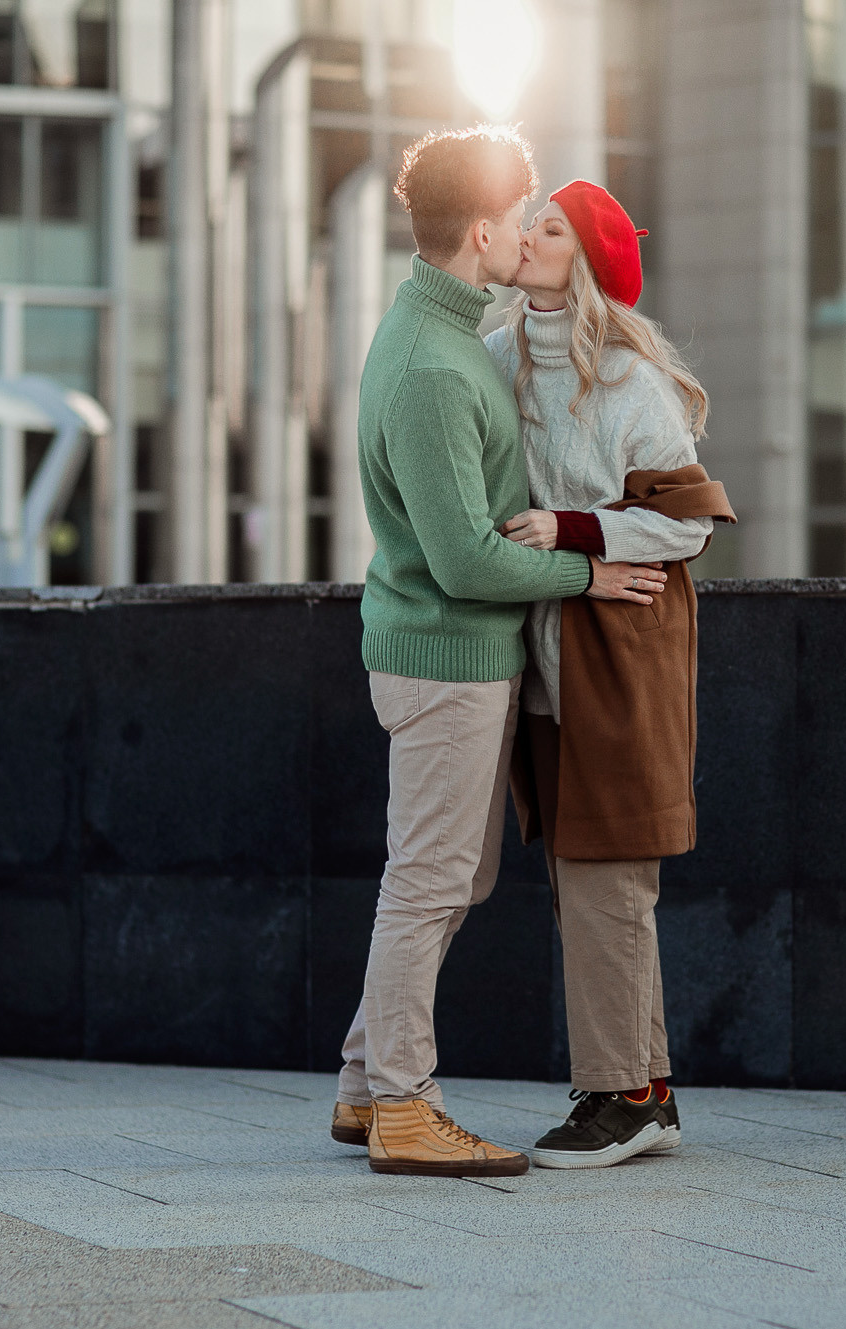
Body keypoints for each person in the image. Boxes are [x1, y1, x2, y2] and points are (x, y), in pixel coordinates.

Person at [329, 126, 670, 1178]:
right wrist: (586, 572)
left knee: (451, 878)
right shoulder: (436, 367)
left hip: (459, 662)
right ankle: (402, 1103)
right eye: (520, 218)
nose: (528, 235)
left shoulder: (443, 334)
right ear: (481, 232)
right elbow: (465, 559)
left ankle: (362, 1082)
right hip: (445, 661)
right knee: (429, 883)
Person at [487, 180, 734, 1169]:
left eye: (550, 227)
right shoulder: (496, 355)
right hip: (544, 655)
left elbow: (687, 524)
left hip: (621, 651)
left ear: (586, 259)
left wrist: (571, 528)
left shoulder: (631, 379)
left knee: (607, 880)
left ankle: (618, 1096)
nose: (528, 235)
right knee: (585, 882)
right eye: (529, 221)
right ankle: (646, 1090)